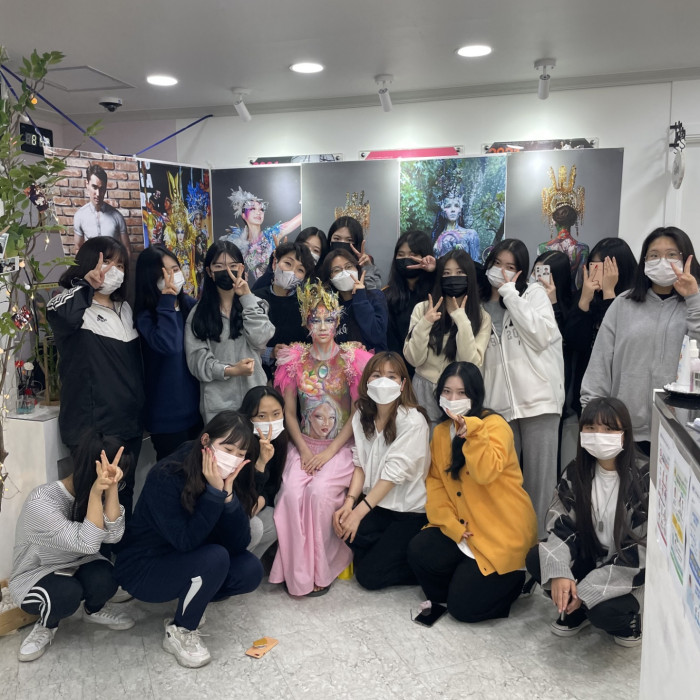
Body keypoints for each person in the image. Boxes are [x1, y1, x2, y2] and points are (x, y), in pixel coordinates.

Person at [114, 411, 263, 669]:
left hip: (187, 558)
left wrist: (227, 497)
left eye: (240, 454)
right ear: (205, 441)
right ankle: (181, 630)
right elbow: (185, 541)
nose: (233, 459)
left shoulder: (232, 473)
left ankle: (193, 601)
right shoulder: (167, 475)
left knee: (250, 570)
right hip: (144, 567)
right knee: (215, 558)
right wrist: (214, 494)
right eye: (227, 449)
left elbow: (239, 543)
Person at [407, 362, 537, 622]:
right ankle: (466, 578)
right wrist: (450, 524)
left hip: (500, 533)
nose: (453, 399)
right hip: (464, 527)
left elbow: (484, 473)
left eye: (462, 393)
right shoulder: (441, 432)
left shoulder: (495, 426)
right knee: (420, 550)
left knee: (464, 609)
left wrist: (473, 434)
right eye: (447, 391)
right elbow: (436, 483)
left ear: (475, 396)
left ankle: (518, 581)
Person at [269, 280, 372, 596]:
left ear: (338, 322)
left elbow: (356, 413)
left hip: (339, 448)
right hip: (303, 446)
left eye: (329, 319)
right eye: (316, 319)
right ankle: (294, 571)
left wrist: (328, 454)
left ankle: (322, 568)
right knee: (290, 494)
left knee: (318, 494)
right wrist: (303, 450)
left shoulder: (352, 359)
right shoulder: (294, 360)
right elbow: (289, 414)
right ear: (306, 323)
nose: (323, 326)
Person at [526, 397, 648, 647]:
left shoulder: (644, 477)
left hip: (627, 573)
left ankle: (628, 622)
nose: (598, 435)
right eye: (591, 428)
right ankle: (576, 611)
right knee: (537, 557)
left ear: (625, 434)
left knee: (602, 612)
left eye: (609, 429)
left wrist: (586, 590)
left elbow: (640, 553)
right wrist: (560, 573)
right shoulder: (575, 472)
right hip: (590, 558)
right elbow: (560, 526)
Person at [10, 434, 135, 662]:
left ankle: (93, 611)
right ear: (90, 472)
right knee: (66, 593)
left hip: (79, 561)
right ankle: (47, 625)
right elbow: (87, 543)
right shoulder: (42, 502)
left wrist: (112, 490)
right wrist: (96, 493)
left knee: (108, 577)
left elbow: (114, 536)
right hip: (37, 572)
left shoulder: (97, 492)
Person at [581, 227, 700, 454]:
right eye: (654, 255)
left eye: (671, 254)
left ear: (686, 258)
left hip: (681, 433)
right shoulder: (622, 304)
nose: (662, 261)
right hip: (624, 430)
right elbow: (600, 363)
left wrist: (694, 299)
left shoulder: (695, 305)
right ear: (644, 261)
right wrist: (592, 415)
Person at [47, 237, 144, 516]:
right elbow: (62, 316)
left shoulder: (125, 308)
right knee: (92, 500)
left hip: (129, 424)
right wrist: (86, 285)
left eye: (120, 265)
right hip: (92, 428)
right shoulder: (69, 303)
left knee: (124, 497)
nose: (114, 270)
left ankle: (122, 545)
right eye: (107, 261)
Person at [481, 239, 564, 535]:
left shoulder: (534, 294)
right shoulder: (479, 305)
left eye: (510, 267)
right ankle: (511, 545)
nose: (502, 271)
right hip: (498, 409)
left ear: (521, 271)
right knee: (505, 483)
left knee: (540, 485)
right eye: (497, 264)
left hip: (539, 402)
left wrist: (510, 294)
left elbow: (540, 337)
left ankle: (540, 549)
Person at [333, 352, 430, 590]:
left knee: (368, 577)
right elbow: (360, 465)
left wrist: (357, 514)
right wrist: (349, 503)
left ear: (403, 384)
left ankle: (421, 565)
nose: (383, 381)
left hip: (407, 511)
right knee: (345, 531)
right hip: (377, 505)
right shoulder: (361, 415)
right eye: (377, 375)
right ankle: (390, 551)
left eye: (391, 376)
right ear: (367, 381)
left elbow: (391, 477)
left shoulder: (413, 421)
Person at [185, 241, 274, 422]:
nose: (227, 271)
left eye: (233, 266)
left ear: (241, 268)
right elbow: (196, 362)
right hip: (218, 408)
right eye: (219, 266)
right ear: (209, 271)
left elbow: (260, 340)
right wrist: (230, 370)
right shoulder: (198, 314)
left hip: (255, 402)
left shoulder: (255, 304)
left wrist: (247, 297)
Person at [404, 249, 491, 425]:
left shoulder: (482, 317)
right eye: (446, 273)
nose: (453, 278)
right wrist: (425, 323)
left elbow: (470, 363)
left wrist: (461, 320)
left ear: (469, 277)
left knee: (453, 440)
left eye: (459, 273)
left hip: (458, 395)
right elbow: (414, 359)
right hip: (423, 390)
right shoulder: (422, 309)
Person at [134, 245, 202, 461]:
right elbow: (170, 346)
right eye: (164, 273)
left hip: (199, 411)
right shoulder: (145, 317)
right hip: (167, 419)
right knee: (174, 476)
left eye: (175, 269)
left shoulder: (190, 306)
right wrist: (166, 302)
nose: (172, 277)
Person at [563, 238, 637, 415]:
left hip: (622, 391)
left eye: (604, 267)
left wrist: (609, 294)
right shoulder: (586, 295)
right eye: (593, 266)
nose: (597, 272)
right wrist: (584, 301)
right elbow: (574, 342)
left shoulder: (634, 298)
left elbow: (619, 338)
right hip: (588, 391)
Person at [254, 241, 316, 380]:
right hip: (261, 377)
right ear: (275, 263)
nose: (291, 272)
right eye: (288, 263)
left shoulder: (306, 305)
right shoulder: (255, 299)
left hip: (300, 378)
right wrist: (270, 353)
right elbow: (245, 344)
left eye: (300, 270)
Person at [240, 386, 289, 559]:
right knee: (253, 527)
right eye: (261, 416)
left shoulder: (281, 439)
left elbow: (272, 487)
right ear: (249, 417)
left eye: (276, 414)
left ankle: (247, 565)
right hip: (236, 505)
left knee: (275, 521)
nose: (270, 421)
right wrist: (260, 463)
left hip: (254, 504)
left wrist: (261, 501)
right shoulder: (239, 442)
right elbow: (241, 491)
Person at [220, 186, 301, 283]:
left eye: (261, 209)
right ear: (243, 215)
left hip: (277, 284)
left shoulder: (271, 235)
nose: (258, 212)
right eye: (253, 209)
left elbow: (293, 223)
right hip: (258, 287)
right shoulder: (239, 243)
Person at [383, 230, 436, 373]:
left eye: (413, 254)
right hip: (399, 370)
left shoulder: (437, 295)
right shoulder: (387, 295)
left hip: (431, 373)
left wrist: (435, 270)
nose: (406, 259)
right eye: (401, 255)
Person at [320, 248, 388, 352]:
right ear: (330, 279)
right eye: (337, 270)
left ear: (357, 269)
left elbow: (376, 336)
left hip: (375, 361)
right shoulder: (330, 308)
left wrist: (360, 297)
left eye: (348, 267)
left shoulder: (375, 296)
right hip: (342, 361)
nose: (345, 272)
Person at [538, 165, 588, 290]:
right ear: (574, 221)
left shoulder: (543, 248)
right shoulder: (582, 248)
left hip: (548, 295)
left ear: (553, 220)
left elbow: (541, 281)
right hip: (572, 296)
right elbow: (581, 282)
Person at [73, 164, 131, 259]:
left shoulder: (117, 216)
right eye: (94, 187)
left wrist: (123, 268)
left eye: (102, 188)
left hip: (112, 265)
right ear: (87, 184)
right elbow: (78, 249)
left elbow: (127, 250)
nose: (98, 194)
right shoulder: (79, 216)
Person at [252, 226, 328, 292]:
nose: (309, 252)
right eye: (305, 246)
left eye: (316, 250)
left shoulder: (321, 285)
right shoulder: (279, 270)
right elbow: (257, 290)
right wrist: (278, 259)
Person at [327, 215, 382, 289]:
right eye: (337, 238)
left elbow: (375, 292)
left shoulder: (366, 264)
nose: (342, 242)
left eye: (349, 240)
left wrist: (367, 268)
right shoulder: (324, 262)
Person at [431, 191, 480, 261]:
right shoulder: (437, 236)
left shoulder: (470, 234)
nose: (453, 210)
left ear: (460, 210)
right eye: (448, 206)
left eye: (456, 205)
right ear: (442, 210)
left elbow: (475, 263)